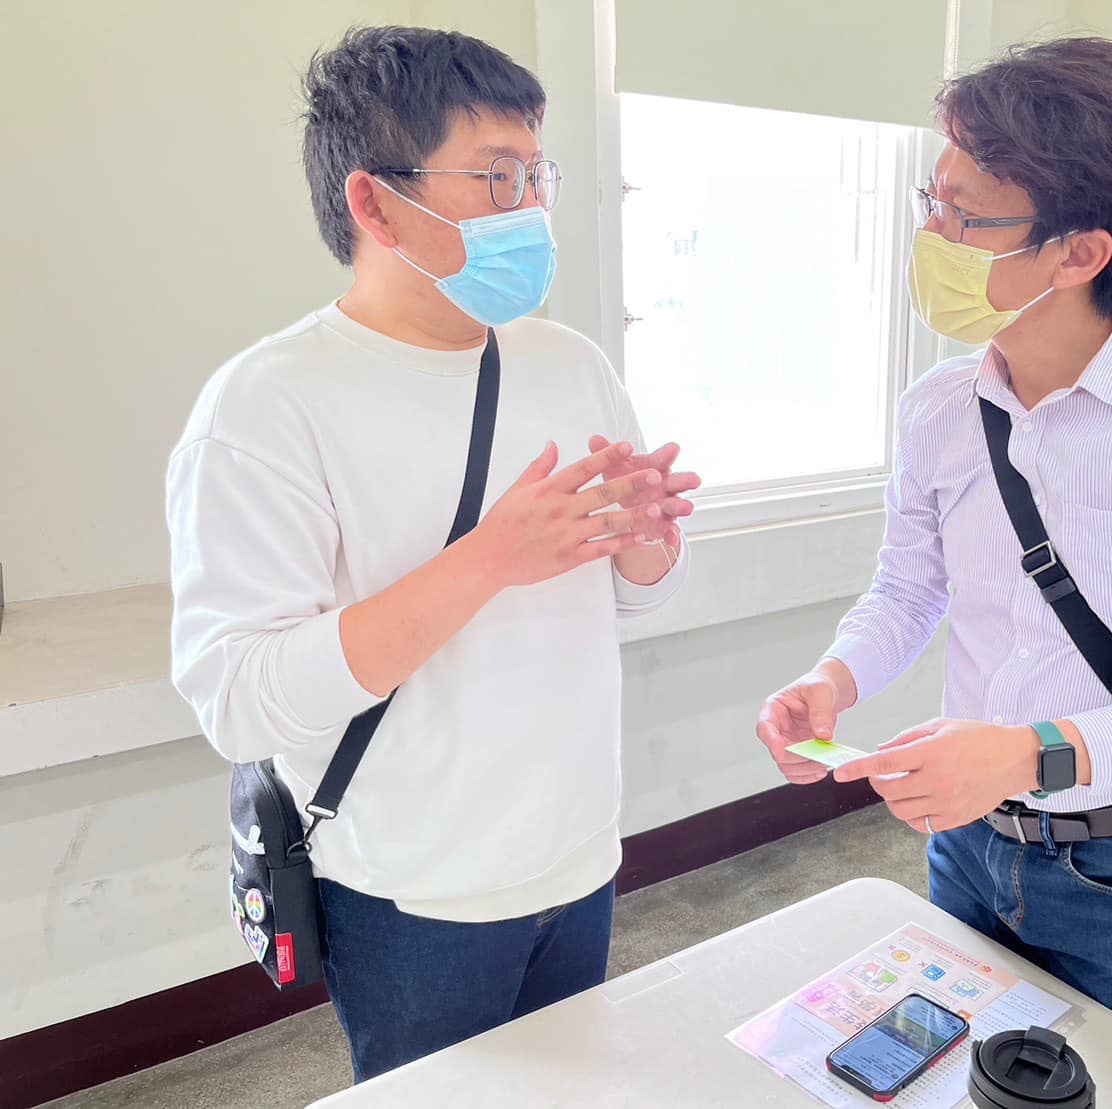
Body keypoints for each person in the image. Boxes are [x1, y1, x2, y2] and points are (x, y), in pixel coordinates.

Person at [756, 37, 1112, 1048]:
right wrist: (833, 679)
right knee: (942, 1070)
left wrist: (1027, 752)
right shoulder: (940, 406)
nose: (931, 234)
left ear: (1080, 253)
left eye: (964, 215)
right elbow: (908, 588)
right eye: (931, 201)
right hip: (967, 838)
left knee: (1099, 1086)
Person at [168, 26, 698, 1081]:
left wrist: (646, 547)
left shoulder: (571, 364)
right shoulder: (266, 407)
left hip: (579, 857)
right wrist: (489, 558)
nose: (531, 209)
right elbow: (239, 698)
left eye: (537, 175)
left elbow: (632, 604)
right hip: (413, 894)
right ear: (374, 204)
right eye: (497, 177)